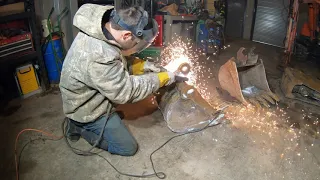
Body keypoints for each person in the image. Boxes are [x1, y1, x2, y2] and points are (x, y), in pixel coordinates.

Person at [59, 4, 175, 156]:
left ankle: (89, 122)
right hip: (86, 108)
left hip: (91, 91)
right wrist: (160, 79)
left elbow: (116, 56)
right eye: (135, 42)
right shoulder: (99, 56)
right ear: (126, 35)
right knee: (127, 148)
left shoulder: (105, 22)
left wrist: (141, 65)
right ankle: (79, 126)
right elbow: (126, 92)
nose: (135, 46)